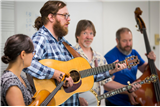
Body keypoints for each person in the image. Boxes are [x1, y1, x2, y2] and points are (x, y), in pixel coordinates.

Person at [23, 0, 128, 106]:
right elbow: (27, 63)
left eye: (68, 15)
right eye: (65, 15)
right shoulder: (42, 38)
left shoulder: (63, 43)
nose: (69, 19)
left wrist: (110, 71)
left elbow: (84, 75)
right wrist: (56, 74)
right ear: (51, 17)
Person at [73, 20, 141, 106]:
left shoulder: (99, 57)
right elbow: (63, 81)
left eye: (91, 33)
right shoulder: (70, 54)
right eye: (85, 33)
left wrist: (128, 87)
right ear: (77, 35)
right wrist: (77, 98)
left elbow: (107, 83)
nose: (88, 37)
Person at [103, 27, 156, 106]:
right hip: (115, 102)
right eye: (124, 41)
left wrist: (152, 61)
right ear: (117, 41)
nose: (128, 44)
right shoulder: (110, 57)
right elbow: (107, 85)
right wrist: (128, 90)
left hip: (133, 100)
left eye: (130, 40)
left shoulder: (134, 53)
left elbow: (146, 70)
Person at [0, 34, 35, 106]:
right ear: (23, 54)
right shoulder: (12, 84)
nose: (33, 55)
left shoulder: (22, 79)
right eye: (32, 52)